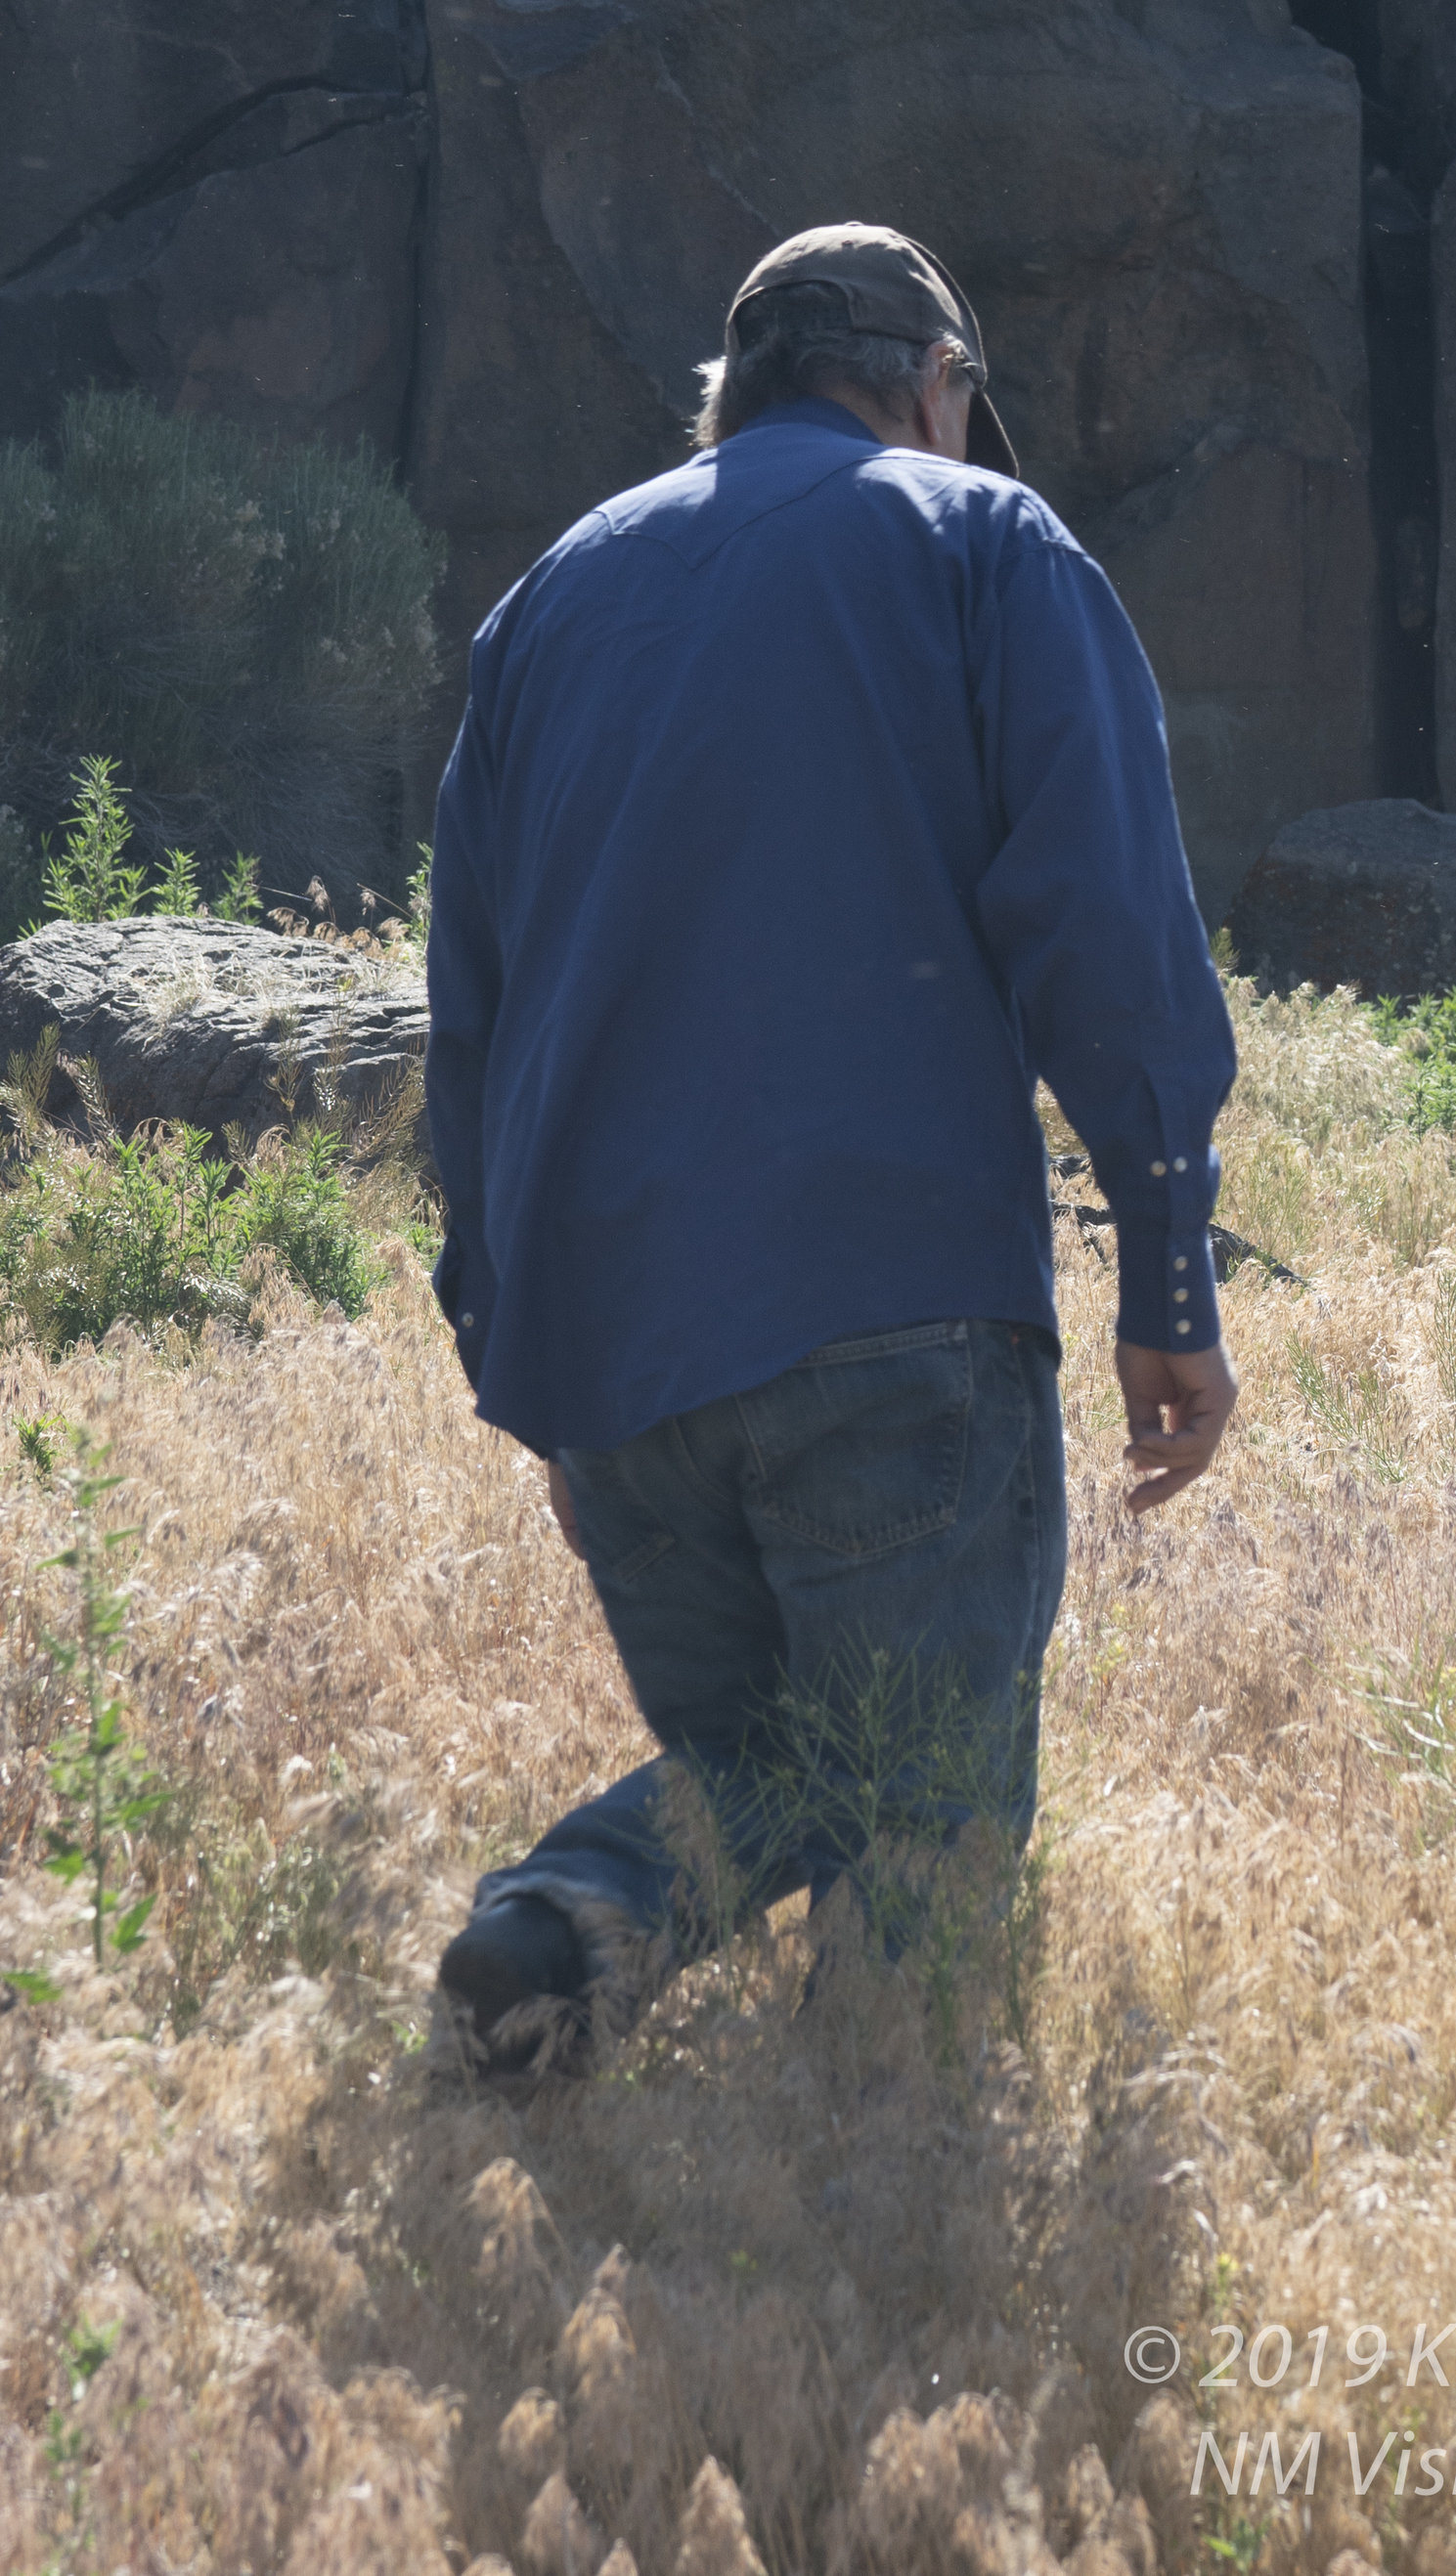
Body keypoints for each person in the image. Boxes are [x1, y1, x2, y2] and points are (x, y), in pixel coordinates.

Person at [424, 223, 1240, 2059]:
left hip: (615, 1359)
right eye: (963, 404)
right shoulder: (984, 542)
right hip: (894, 1308)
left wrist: (528, 1363)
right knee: (921, 1828)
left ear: (731, 394)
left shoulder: (547, 601)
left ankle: (568, 1935)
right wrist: (1169, 1278)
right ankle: (891, 2202)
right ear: (936, 388)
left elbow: (467, 1025)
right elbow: (1110, 940)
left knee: (784, 1761)